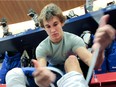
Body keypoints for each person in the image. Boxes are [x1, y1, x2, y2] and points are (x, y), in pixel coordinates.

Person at [5, 3, 115, 87]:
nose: (53, 30)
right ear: (44, 28)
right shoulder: (42, 47)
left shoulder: (74, 40)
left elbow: (94, 64)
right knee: (12, 74)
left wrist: (99, 50)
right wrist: (40, 79)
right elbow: (43, 71)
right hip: (53, 76)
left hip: (74, 72)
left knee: (71, 59)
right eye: (48, 26)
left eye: (55, 24)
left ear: (62, 22)